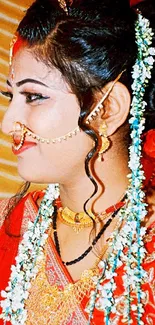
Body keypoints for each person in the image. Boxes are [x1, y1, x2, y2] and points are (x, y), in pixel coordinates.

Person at [0, 0, 155, 324]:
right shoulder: (14, 223)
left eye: (34, 96)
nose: (8, 123)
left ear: (108, 109)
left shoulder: (148, 241)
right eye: (10, 96)